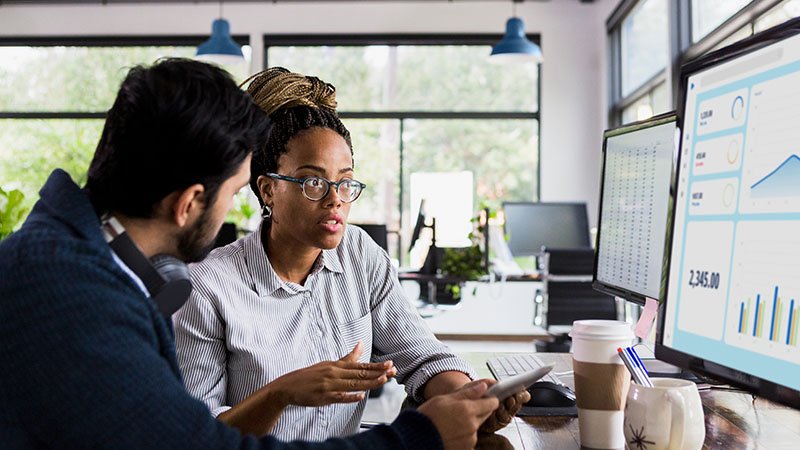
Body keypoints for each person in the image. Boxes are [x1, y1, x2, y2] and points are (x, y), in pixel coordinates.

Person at [0, 58, 499, 450]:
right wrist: (419, 437)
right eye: (236, 190)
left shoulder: (76, 261)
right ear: (189, 203)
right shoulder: (73, 297)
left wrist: (466, 400)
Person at [173, 67, 529, 441]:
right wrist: (281, 393)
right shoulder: (208, 287)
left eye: (345, 182)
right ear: (267, 190)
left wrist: (469, 398)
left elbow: (422, 357)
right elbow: (200, 436)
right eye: (313, 182)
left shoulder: (359, 254)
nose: (335, 200)